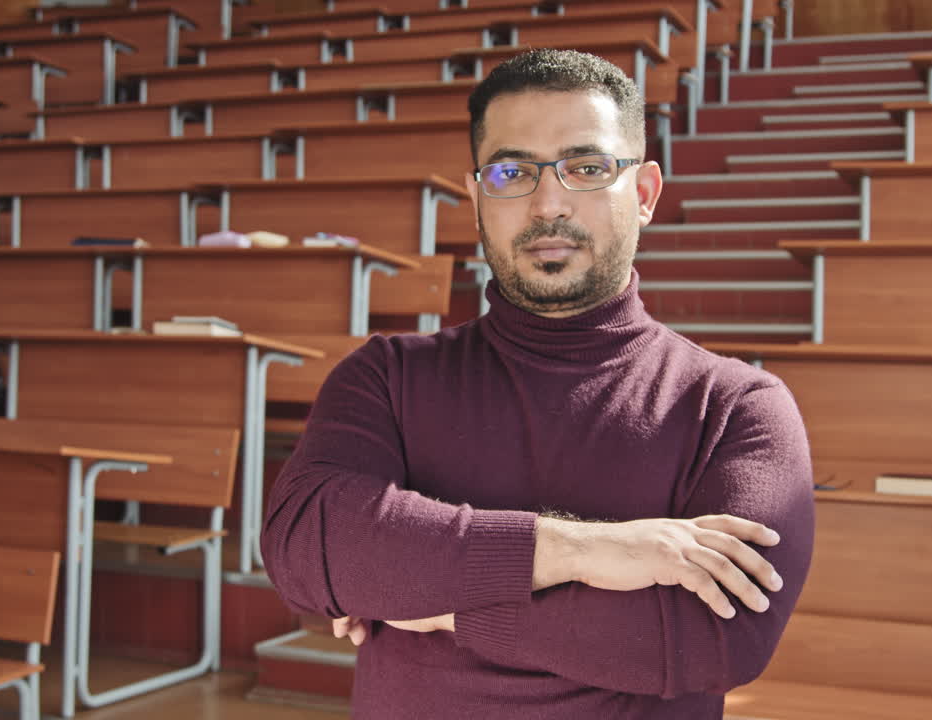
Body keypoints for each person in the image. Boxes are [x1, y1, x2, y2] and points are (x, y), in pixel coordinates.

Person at [261, 48, 815, 719]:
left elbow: (714, 637)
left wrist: (436, 604)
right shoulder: (386, 376)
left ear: (642, 194)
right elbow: (305, 549)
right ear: (476, 197)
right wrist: (592, 550)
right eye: (511, 171)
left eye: (586, 168)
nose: (548, 203)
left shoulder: (735, 407)